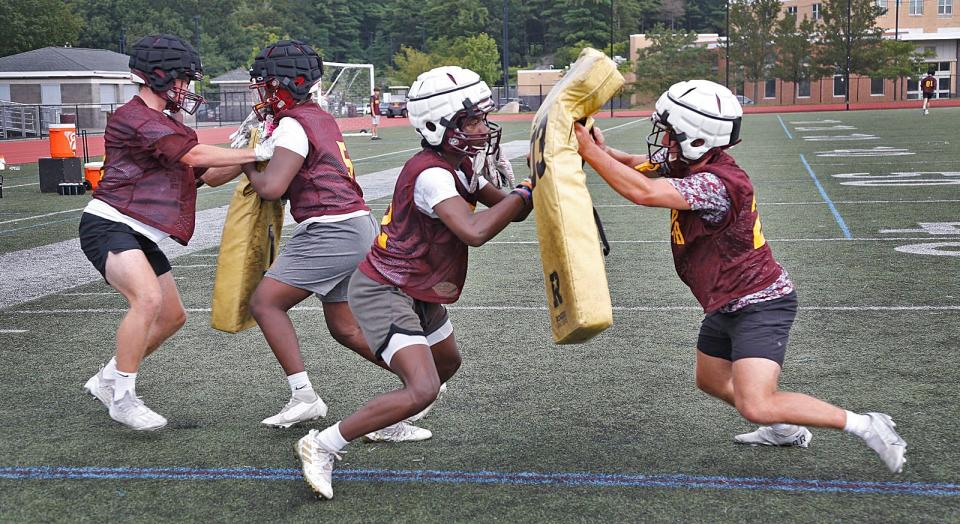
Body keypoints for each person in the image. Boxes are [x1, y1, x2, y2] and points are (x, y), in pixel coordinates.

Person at [574, 79, 907, 474]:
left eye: (670, 132)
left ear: (695, 137)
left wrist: (589, 152)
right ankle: (784, 430)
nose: (663, 139)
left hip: (760, 302)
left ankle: (866, 424)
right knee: (712, 381)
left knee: (756, 403)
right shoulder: (694, 160)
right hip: (727, 299)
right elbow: (637, 165)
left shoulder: (717, 182)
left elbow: (643, 192)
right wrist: (601, 149)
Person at [295, 66, 535, 499]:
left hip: (417, 285)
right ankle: (323, 444)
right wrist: (522, 193)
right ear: (440, 124)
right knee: (422, 387)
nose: (484, 128)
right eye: (474, 121)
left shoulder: (457, 165)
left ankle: (387, 422)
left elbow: (512, 209)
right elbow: (475, 232)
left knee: (447, 365)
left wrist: (533, 182)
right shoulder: (433, 174)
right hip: (385, 286)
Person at [232, 40, 435, 437]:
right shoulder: (316, 116)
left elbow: (272, 187)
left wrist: (244, 162)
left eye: (268, 83)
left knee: (265, 303)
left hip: (332, 228)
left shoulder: (293, 123)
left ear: (288, 83)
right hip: (355, 225)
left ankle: (304, 396)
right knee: (344, 328)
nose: (263, 91)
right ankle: (422, 382)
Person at [80, 34, 274, 431]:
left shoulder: (167, 122)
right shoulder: (135, 117)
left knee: (172, 316)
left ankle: (108, 379)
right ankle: (124, 397)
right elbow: (193, 156)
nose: (187, 88)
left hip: (139, 232)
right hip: (109, 223)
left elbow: (207, 175)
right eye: (184, 79)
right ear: (159, 76)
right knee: (147, 299)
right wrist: (256, 153)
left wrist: (252, 146)